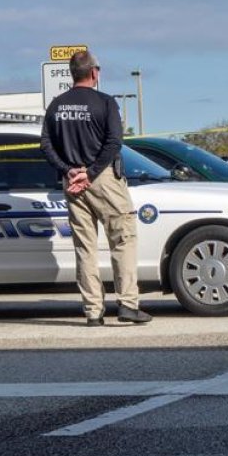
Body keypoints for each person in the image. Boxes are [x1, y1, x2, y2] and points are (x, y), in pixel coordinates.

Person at [41, 50, 152, 326]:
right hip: (102, 178)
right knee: (123, 240)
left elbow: (45, 144)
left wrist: (69, 171)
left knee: (85, 247)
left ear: (71, 74)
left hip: (72, 181)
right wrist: (90, 173)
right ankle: (127, 304)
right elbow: (114, 142)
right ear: (94, 73)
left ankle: (93, 311)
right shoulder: (105, 102)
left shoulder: (56, 105)